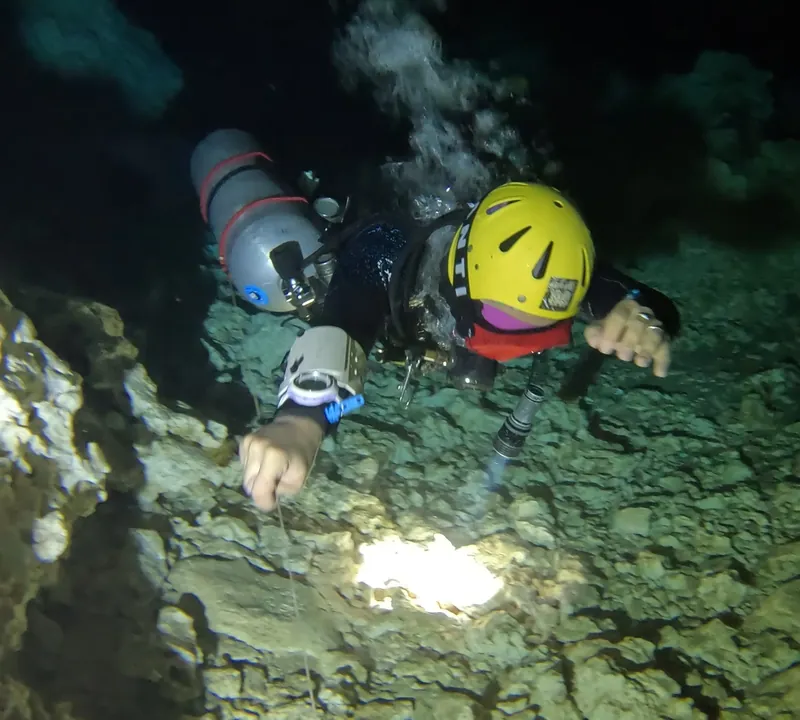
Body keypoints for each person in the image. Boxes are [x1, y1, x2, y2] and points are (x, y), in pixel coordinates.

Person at [239, 181, 680, 511]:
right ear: (463, 283)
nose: (516, 341)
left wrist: (639, 317)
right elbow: (343, 335)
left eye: (543, 327)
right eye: (505, 319)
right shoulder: (386, 255)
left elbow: (649, 304)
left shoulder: (549, 274)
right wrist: (303, 422)